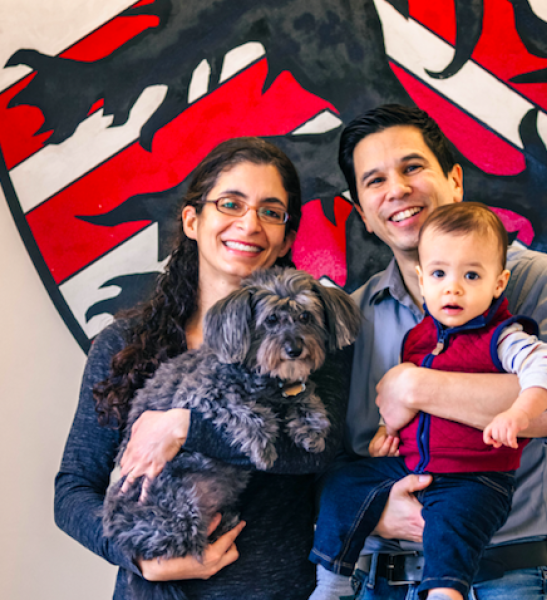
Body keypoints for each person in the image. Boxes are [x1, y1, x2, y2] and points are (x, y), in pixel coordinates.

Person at [310, 105, 547, 600]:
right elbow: (329, 453)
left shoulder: (531, 281)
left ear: (454, 180)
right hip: (374, 580)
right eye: (375, 181)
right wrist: (377, 510)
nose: (398, 190)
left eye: (413, 168)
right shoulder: (351, 314)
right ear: (363, 212)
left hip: (499, 577)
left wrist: (418, 386)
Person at [55, 137, 350, 600]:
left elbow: (316, 453)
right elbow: (72, 490)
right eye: (231, 203)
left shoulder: (313, 336)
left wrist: (184, 427)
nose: (249, 223)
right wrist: (141, 559)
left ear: (287, 238)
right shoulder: (124, 345)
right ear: (193, 220)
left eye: (271, 212)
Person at [310, 203, 547, 600]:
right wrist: (385, 432)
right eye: (440, 274)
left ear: (498, 284)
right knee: (344, 484)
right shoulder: (417, 339)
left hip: (473, 474)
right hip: (414, 465)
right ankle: (333, 582)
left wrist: (519, 412)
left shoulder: (503, 336)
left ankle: (446, 593)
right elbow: (403, 408)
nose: (453, 287)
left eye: (471, 275)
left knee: (451, 521)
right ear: (423, 279)